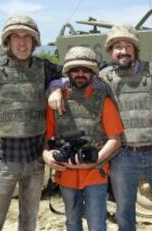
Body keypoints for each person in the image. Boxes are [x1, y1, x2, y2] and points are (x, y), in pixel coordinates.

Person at [48, 25, 152, 231]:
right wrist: (55, 88)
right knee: (124, 213)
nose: (123, 51)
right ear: (110, 52)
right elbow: (73, 78)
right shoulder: (104, 78)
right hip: (123, 156)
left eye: (127, 46)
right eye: (117, 47)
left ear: (135, 49)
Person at [0, 15, 62, 231]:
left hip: (35, 159)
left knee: (29, 221)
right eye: (16, 37)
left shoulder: (44, 68)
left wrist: (56, 85)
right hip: (3, 159)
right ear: (7, 41)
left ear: (35, 41)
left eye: (27, 37)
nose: (22, 42)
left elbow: (75, 71)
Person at [42, 46, 123, 231]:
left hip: (95, 174)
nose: (80, 74)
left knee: (97, 225)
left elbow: (115, 139)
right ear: (67, 73)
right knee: (72, 223)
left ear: (93, 74)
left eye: (85, 70)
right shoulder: (57, 101)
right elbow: (47, 138)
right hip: (66, 174)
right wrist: (47, 155)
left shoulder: (103, 100)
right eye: (75, 70)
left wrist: (95, 161)